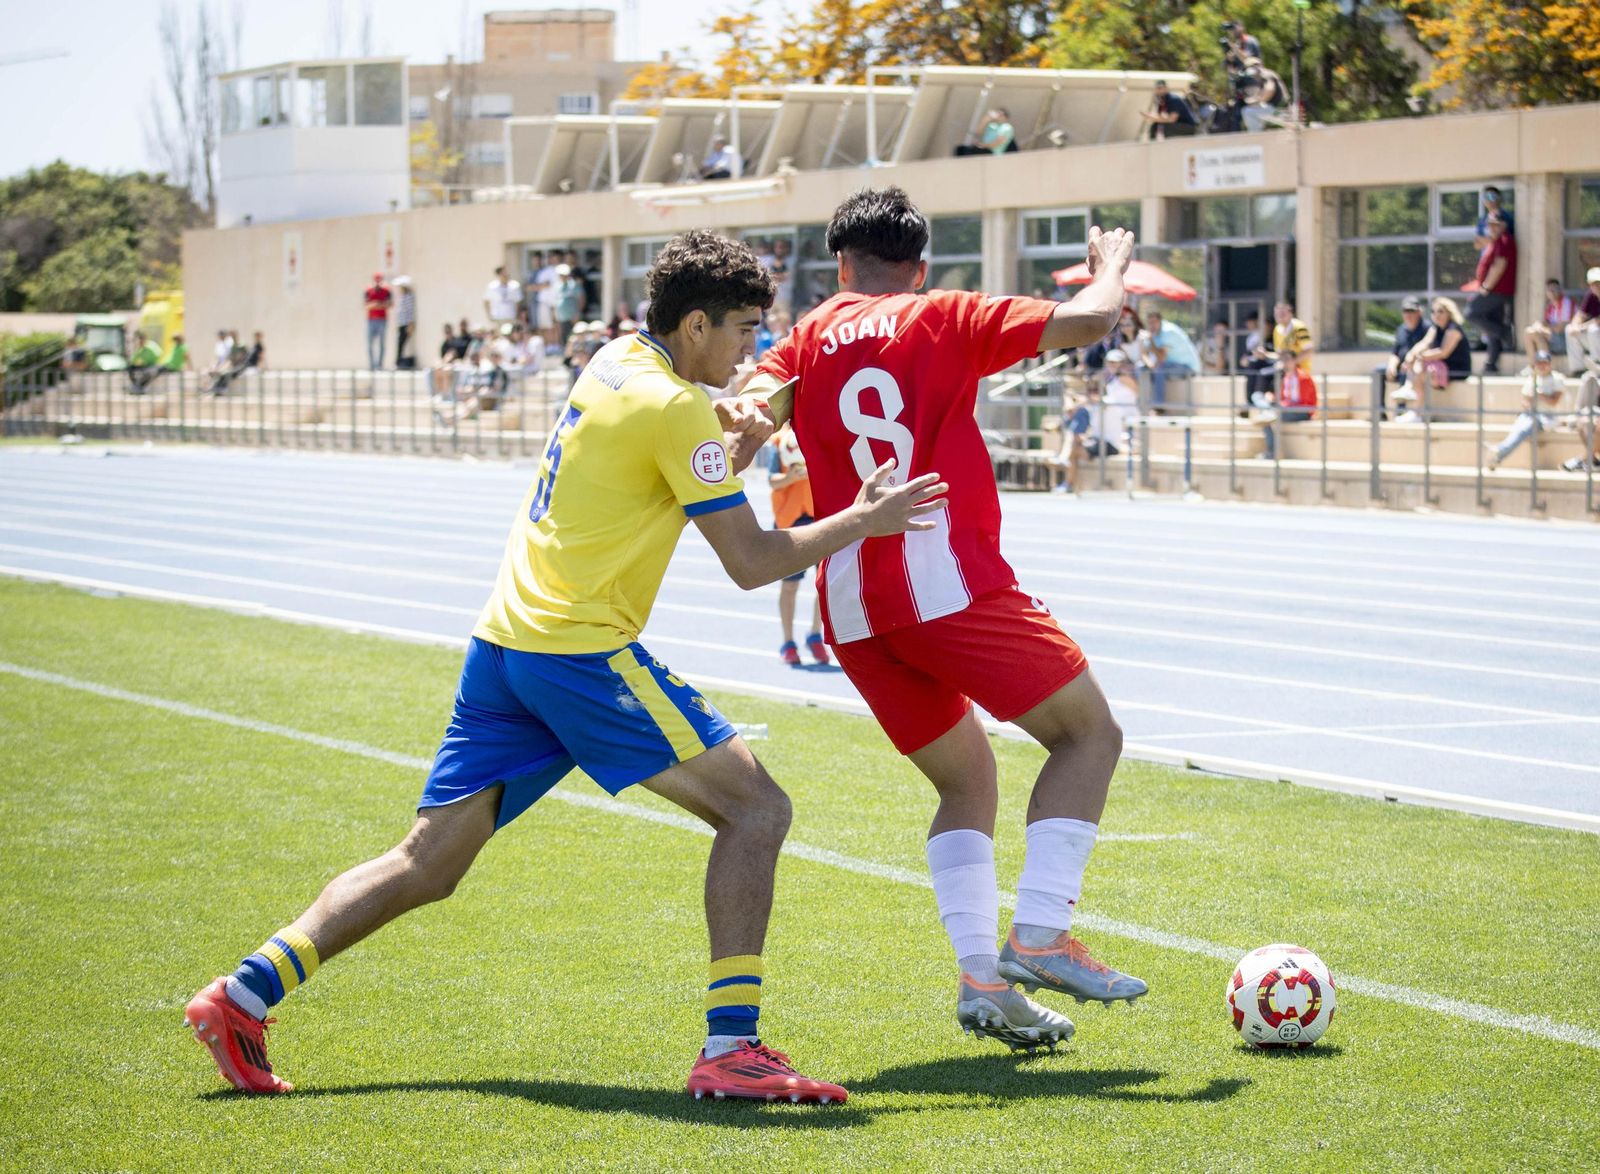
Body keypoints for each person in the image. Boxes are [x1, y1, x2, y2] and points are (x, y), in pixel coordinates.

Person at [184, 228, 946, 1104]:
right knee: (757, 810)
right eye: (742, 330)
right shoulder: (676, 408)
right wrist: (863, 519)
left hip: (505, 643)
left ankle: (242, 995)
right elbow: (751, 560)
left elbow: (667, 457)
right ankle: (732, 1047)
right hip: (578, 653)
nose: (751, 351)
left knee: (429, 862)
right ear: (696, 325)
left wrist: (730, 430)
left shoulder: (616, 359)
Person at [742, 186, 1146, 1053]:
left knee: (967, 781)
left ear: (840, 264)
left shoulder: (805, 337)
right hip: (945, 582)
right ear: (919, 267)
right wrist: (1111, 265)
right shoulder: (943, 314)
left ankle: (982, 983)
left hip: (850, 603)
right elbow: (1089, 319)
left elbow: (744, 414)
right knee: (1089, 736)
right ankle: (1040, 933)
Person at [768, 424, 829, 666]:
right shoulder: (779, 440)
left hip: (820, 516)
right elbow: (772, 480)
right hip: (790, 519)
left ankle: (815, 634)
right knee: (790, 585)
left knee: (824, 583)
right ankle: (788, 641)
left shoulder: (819, 433)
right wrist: (790, 478)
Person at [1255, 302, 1317, 460]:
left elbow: (1308, 350)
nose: (1280, 316)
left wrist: (1291, 363)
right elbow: (1280, 355)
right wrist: (1266, 355)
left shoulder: (1299, 328)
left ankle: (1273, 451)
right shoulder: (1278, 330)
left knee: (1269, 416)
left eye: (1283, 312)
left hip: (1300, 372)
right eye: (1277, 313)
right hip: (1288, 374)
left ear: (1291, 312)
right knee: (1261, 380)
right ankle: (1262, 404)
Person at [1486, 351, 1564, 470]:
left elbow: (1554, 402)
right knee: (1519, 428)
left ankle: (1499, 451)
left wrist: (1539, 394)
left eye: (1545, 363)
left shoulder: (1557, 379)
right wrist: (1529, 405)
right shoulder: (1532, 379)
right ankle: (1498, 456)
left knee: (1524, 428)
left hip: (1548, 417)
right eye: (1539, 363)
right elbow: (1525, 401)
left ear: (1549, 364)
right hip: (1531, 415)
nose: (1542, 366)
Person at [1399, 297, 1471, 421]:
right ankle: (1412, 401)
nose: (1436, 315)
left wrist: (1420, 356)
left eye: (1440, 311)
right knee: (1417, 366)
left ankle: (1416, 411)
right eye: (1433, 312)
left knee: (1420, 372)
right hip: (1440, 366)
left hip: (1457, 369)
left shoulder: (1453, 329)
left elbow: (1444, 352)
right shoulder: (1435, 328)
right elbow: (1424, 343)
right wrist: (1411, 355)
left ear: (1449, 313)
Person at [1466, 213, 1516, 375]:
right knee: (1491, 324)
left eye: (1496, 224)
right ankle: (1491, 363)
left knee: (1471, 313)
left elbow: (1499, 265)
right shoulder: (1497, 241)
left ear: (1504, 225)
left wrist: (1486, 287)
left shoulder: (1504, 240)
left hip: (1497, 291)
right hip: (1495, 290)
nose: (1492, 227)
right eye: (1490, 224)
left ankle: (1504, 333)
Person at [1377, 297, 1431, 417]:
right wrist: (1392, 365)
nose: (1408, 314)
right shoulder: (1401, 329)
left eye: (1412, 311)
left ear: (1419, 312)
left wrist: (1410, 362)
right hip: (1401, 365)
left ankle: (1400, 411)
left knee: (1405, 370)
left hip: (1416, 367)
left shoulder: (1427, 328)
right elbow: (1395, 352)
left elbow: (1427, 348)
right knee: (1378, 371)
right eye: (1406, 311)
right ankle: (1380, 412)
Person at [1138, 308, 1201, 410]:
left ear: (1160, 321)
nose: (1152, 325)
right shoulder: (1153, 333)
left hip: (1189, 368)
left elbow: (1161, 357)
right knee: (1141, 368)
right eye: (1149, 323)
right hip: (1170, 366)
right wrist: (1149, 364)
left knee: (1160, 369)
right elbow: (1144, 355)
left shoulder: (1168, 332)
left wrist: (1150, 341)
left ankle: (1159, 407)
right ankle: (1143, 407)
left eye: (1154, 322)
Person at [1524, 279, 1574, 360]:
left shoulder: (1566, 303)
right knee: (1529, 332)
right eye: (1549, 290)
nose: (1552, 292)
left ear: (1560, 290)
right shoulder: (1551, 306)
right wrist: (1539, 325)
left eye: (1554, 289)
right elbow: (1545, 322)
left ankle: (1543, 364)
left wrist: (1543, 328)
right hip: (1554, 339)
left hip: (1567, 341)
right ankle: (1535, 365)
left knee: (1537, 333)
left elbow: (1559, 329)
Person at [1566, 267, 1600, 377]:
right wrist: (1575, 325)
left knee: (1593, 330)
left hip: (1595, 334)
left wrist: (1582, 327)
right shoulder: (1591, 295)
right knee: (1569, 330)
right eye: (1594, 284)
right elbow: (1580, 314)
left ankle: (1598, 364)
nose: (1597, 286)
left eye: (1598, 283)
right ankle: (1578, 369)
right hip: (1594, 340)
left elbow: (1598, 321)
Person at [364, 274, 391, 371]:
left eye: (379, 281)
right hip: (371, 320)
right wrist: (378, 304)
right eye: (376, 280)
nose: (378, 283)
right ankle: (372, 366)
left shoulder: (386, 291)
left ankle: (380, 365)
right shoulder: (368, 291)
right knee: (370, 344)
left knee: (382, 344)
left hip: (382, 320)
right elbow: (366, 305)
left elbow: (389, 304)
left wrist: (376, 304)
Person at [483, 266, 522, 330]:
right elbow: (486, 301)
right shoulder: (492, 287)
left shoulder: (514, 286)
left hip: (510, 316)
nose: (505, 275)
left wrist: (517, 315)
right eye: (503, 273)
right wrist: (489, 315)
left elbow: (517, 302)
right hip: (497, 316)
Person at [553, 263, 583, 346]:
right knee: (563, 336)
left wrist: (577, 313)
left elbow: (581, 299)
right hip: (561, 317)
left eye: (563, 275)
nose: (562, 277)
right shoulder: (557, 286)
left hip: (572, 316)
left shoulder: (574, 285)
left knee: (573, 335)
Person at [393, 277, 416, 369]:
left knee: (401, 343)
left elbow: (410, 311)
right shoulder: (402, 296)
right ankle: (399, 362)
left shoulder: (408, 297)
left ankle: (399, 362)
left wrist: (410, 324)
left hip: (406, 324)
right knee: (400, 343)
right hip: (401, 323)